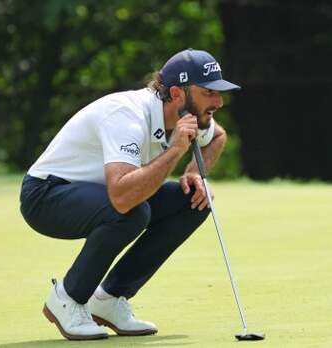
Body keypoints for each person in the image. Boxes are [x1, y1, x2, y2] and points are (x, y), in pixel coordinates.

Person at [19, 48, 241, 340]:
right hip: (46, 195)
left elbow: (218, 136)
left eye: (218, 93)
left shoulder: (190, 115)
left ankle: (110, 298)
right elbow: (122, 196)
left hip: (98, 195)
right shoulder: (128, 115)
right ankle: (68, 298)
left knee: (193, 201)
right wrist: (175, 149)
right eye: (208, 93)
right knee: (132, 210)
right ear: (177, 93)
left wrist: (194, 174)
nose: (218, 102)